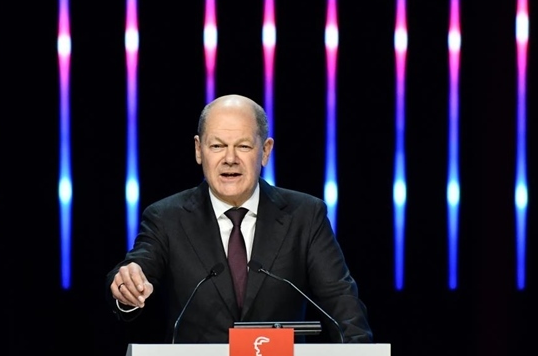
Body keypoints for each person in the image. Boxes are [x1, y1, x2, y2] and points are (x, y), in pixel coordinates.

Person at [106, 94, 372, 343]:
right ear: (199, 150)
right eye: (217, 146)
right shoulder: (166, 218)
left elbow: (342, 303)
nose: (230, 158)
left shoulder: (305, 215)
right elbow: (136, 270)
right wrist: (127, 286)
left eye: (243, 146)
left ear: (265, 151)